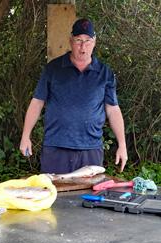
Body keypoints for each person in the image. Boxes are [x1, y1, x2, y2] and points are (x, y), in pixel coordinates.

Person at [20, 18, 128, 174]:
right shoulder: (53, 69)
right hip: (56, 148)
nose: (83, 47)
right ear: (70, 41)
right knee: (54, 196)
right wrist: (25, 136)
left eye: (87, 41)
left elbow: (113, 110)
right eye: (78, 40)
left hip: (91, 150)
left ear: (95, 42)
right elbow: (37, 102)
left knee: (88, 198)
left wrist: (122, 145)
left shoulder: (105, 73)